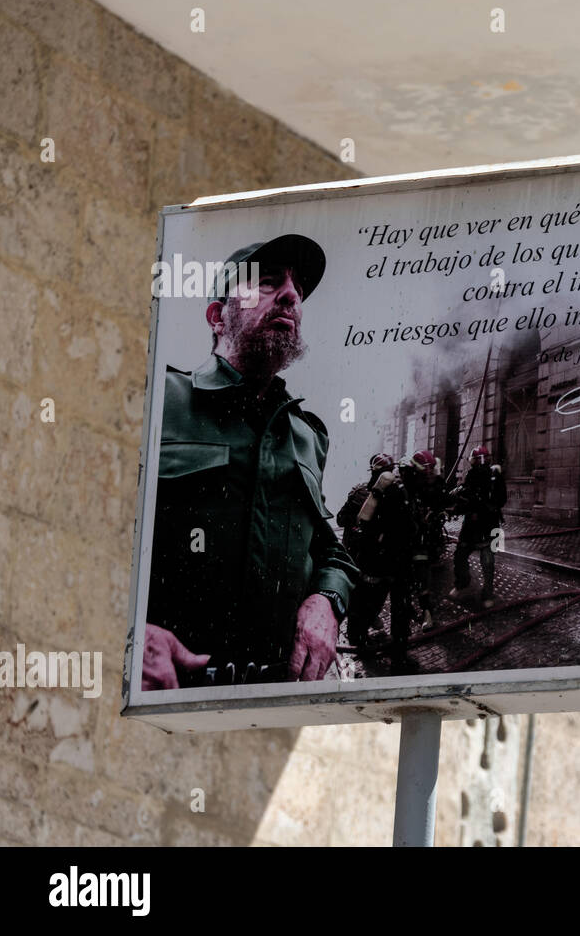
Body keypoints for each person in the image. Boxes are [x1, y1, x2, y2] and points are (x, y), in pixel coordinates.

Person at [141, 234, 358, 689]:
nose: (291, 295)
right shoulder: (157, 400)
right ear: (218, 317)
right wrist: (129, 633)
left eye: (296, 289)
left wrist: (326, 598)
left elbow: (329, 550)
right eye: (267, 282)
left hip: (272, 700)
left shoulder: (307, 434)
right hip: (167, 693)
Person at [336, 453, 420, 653]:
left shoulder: (371, 492)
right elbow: (342, 519)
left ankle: (359, 632)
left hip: (369, 556)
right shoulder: (389, 494)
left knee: (366, 596)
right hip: (375, 556)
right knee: (372, 597)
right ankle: (365, 636)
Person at [448, 445, 507, 608]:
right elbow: (466, 497)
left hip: (489, 523)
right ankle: (463, 584)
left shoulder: (494, 477)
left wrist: (481, 506)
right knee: (461, 554)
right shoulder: (472, 476)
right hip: (474, 524)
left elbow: (501, 499)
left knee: (487, 560)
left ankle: (487, 593)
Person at [399, 449, 450, 631]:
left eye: (430, 472)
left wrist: (438, 512)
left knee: (422, 574)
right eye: (424, 473)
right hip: (404, 541)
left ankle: (427, 611)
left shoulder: (434, 485)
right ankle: (407, 611)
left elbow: (442, 502)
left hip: (422, 539)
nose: (428, 477)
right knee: (404, 581)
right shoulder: (405, 488)